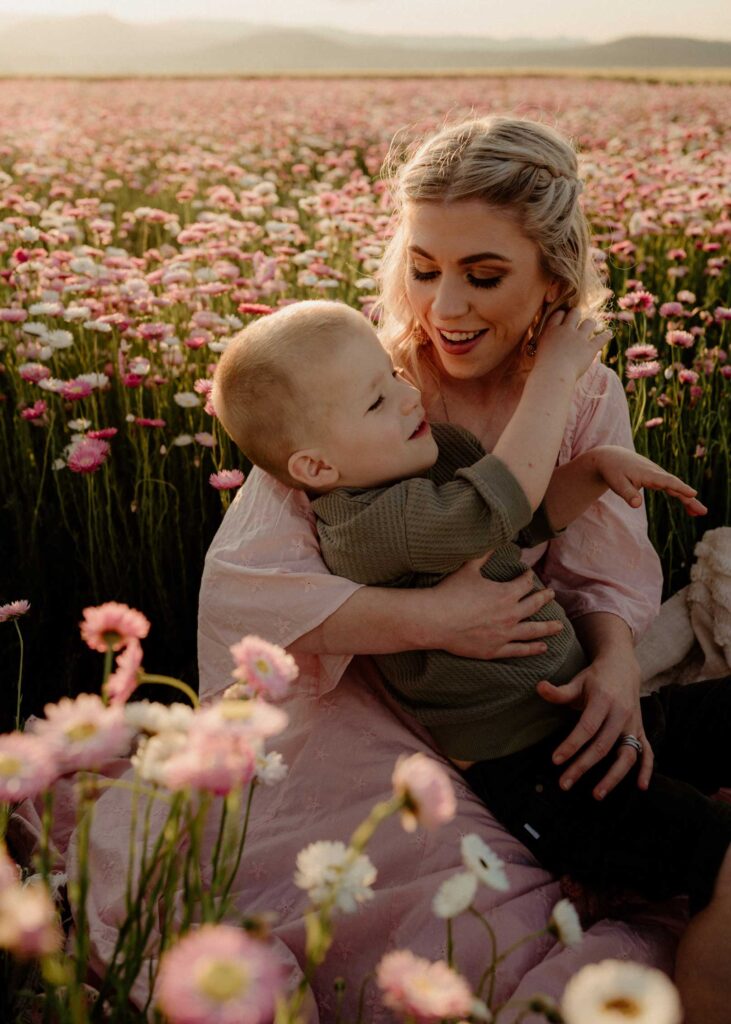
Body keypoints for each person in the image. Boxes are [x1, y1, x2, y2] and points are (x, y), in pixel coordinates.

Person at [198, 116, 729, 1022]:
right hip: (424, 723)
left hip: (555, 677)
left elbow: (601, 566)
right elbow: (249, 591)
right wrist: (431, 622)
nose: (443, 308)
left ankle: (641, 834)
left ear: (553, 282)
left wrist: (614, 668)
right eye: (423, 268)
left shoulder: (579, 389)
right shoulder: (363, 387)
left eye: (483, 277)